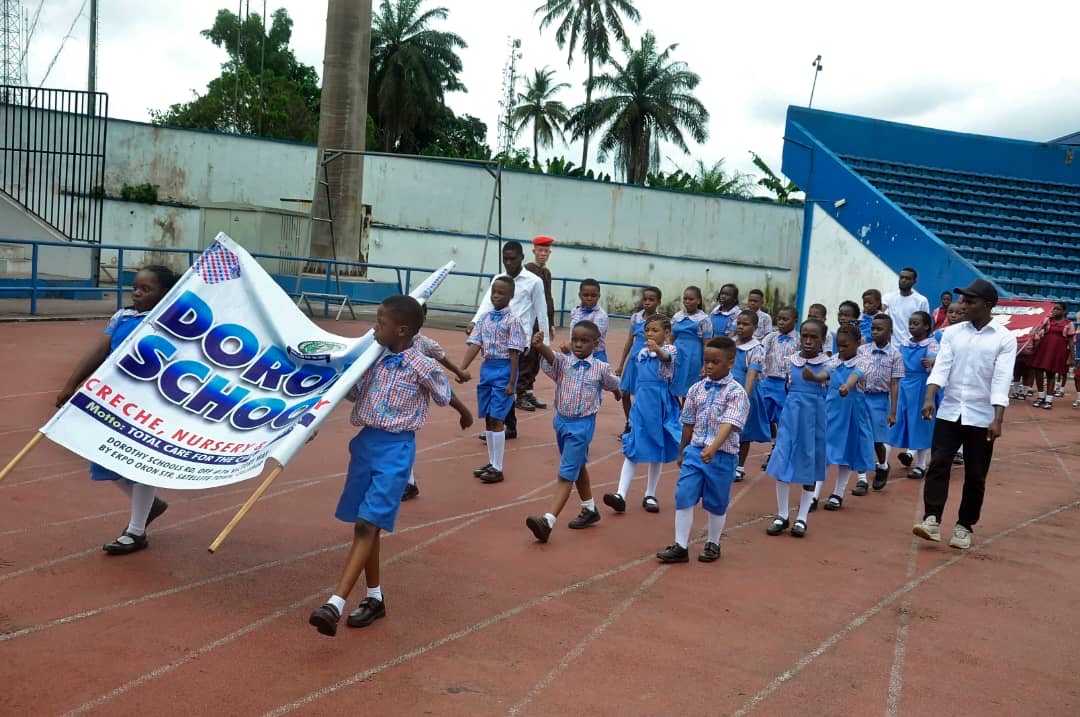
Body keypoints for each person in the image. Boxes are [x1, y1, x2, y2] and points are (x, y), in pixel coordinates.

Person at [309, 296, 474, 636]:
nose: (373, 327)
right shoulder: (374, 359)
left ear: (401, 330)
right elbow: (349, 391)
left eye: (379, 322)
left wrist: (465, 412)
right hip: (365, 445)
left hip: (396, 450)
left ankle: (334, 604)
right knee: (366, 524)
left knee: (367, 526)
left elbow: (444, 392)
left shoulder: (422, 366)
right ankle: (374, 598)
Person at [54, 265, 179, 555]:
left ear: (165, 293)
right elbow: (100, 351)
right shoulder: (122, 317)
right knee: (103, 458)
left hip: (150, 406)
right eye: (135, 286)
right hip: (115, 403)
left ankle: (136, 531)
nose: (136, 293)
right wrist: (71, 384)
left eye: (146, 289)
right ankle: (150, 504)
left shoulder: (170, 324)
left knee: (141, 464)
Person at [913, 279, 1016, 550]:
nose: (963, 305)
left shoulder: (1005, 339)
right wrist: (928, 398)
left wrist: (998, 418)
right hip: (950, 411)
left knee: (975, 474)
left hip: (982, 417)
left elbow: (1002, 379)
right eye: (963, 300)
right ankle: (931, 519)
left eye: (970, 302)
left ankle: (964, 526)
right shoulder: (952, 333)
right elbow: (942, 368)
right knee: (938, 465)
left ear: (988, 305)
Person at [524, 322, 622, 542]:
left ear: (596, 344)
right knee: (577, 465)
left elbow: (612, 383)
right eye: (575, 339)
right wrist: (540, 347)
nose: (578, 344)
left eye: (584, 340)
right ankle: (589, 508)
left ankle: (548, 521)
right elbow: (552, 358)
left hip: (582, 426)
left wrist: (617, 392)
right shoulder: (564, 363)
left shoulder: (600, 368)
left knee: (566, 472)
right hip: (561, 422)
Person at [656, 336, 749, 563]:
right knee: (684, 494)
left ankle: (713, 542)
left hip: (722, 455)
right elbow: (688, 423)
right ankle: (680, 545)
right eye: (706, 361)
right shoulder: (697, 389)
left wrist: (713, 448)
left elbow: (729, 423)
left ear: (730, 362)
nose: (708, 366)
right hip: (695, 452)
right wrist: (682, 451)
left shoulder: (736, 393)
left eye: (715, 362)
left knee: (717, 502)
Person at [469, 241, 550, 442]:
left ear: (522, 258)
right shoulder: (498, 279)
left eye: (512, 258)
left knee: (507, 382)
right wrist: (474, 322)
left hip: (518, 341)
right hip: (496, 339)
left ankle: (502, 424)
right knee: (503, 384)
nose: (508, 262)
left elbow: (542, 311)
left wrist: (544, 342)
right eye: (505, 258)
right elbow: (486, 304)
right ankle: (506, 425)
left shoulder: (534, 281)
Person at [604, 314, 681, 515]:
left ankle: (650, 493)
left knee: (657, 447)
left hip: (659, 405)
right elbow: (639, 381)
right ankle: (620, 494)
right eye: (647, 330)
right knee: (633, 446)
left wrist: (658, 350)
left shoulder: (669, 349)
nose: (649, 333)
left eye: (655, 330)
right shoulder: (640, 354)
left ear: (666, 333)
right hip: (642, 406)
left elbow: (667, 357)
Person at [461, 277, 529, 484]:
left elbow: (515, 354)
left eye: (501, 293)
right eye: (494, 292)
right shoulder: (484, 319)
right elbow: (474, 344)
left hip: (504, 368)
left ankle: (498, 467)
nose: (496, 296)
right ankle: (491, 462)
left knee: (498, 418)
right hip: (487, 368)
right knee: (489, 418)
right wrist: (462, 368)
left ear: (510, 296)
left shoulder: (513, 321)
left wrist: (511, 382)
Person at [765, 319, 828, 538]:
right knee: (783, 460)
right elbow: (787, 386)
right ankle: (782, 515)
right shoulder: (789, 361)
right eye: (805, 336)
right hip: (791, 417)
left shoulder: (827, 363)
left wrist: (813, 377)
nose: (808, 341)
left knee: (809, 464)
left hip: (813, 421)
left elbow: (823, 377)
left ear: (822, 340)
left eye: (814, 337)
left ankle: (802, 517)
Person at [403, 305, 472, 501]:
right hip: (391, 399)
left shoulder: (425, 344)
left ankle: (408, 483)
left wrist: (460, 373)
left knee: (403, 439)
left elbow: (442, 368)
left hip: (412, 401)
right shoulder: (387, 343)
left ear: (423, 318)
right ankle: (406, 481)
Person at [804, 324, 875, 511]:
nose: (841, 349)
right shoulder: (835, 360)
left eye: (845, 346)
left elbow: (856, 375)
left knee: (846, 453)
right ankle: (814, 495)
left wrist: (847, 386)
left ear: (857, 343)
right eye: (839, 345)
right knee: (825, 452)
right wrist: (814, 377)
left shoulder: (864, 361)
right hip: (832, 410)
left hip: (852, 411)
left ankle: (838, 493)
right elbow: (825, 373)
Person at [854, 315, 903, 494]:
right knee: (860, 437)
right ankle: (861, 479)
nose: (875, 331)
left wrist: (893, 411)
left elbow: (895, 384)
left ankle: (882, 465)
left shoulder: (895, 355)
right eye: (873, 328)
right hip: (861, 397)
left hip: (879, 400)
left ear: (890, 332)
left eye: (879, 329)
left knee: (877, 440)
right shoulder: (863, 350)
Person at [890, 311, 939, 479]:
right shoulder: (904, 343)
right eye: (910, 323)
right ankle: (882, 462)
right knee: (897, 420)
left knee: (920, 423)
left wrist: (931, 361)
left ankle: (921, 464)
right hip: (904, 385)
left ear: (926, 326)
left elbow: (935, 358)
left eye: (916, 323)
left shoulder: (931, 344)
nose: (911, 326)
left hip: (921, 386)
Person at [517, 236, 557, 412]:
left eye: (546, 251)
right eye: (540, 250)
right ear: (533, 252)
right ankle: (520, 393)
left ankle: (528, 390)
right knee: (527, 356)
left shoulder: (546, 273)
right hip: (530, 320)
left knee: (537, 357)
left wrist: (551, 323)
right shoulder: (527, 271)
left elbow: (548, 299)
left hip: (542, 321)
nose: (543, 254)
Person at [615, 286, 661, 433]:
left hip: (648, 362)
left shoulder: (660, 320)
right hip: (634, 359)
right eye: (645, 299)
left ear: (658, 302)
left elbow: (663, 343)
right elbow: (629, 341)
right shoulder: (636, 317)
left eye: (651, 300)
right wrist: (622, 364)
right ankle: (629, 423)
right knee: (625, 393)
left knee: (642, 395)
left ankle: (640, 426)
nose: (647, 302)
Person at [732, 309, 770, 482]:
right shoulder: (731, 343)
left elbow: (751, 374)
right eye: (739, 323)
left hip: (745, 392)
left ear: (755, 327)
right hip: (728, 390)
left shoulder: (756, 349)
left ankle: (739, 467)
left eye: (745, 324)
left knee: (743, 431)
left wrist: (744, 396)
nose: (740, 327)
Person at [759, 306, 799, 464]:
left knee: (783, 418)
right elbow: (761, 354)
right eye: (779, 319)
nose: (781, 322)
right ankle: (775, 443)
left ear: (795, 321)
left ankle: (778, 450)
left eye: (785, 319)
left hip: (786, 384)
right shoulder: (771, 337)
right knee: (765, 416)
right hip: (768, 381)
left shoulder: (799, 340)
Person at [1028, 301, 1074, 410]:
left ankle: (1049, 400)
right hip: (1044, 349)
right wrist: (1035, 330)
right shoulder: (1047, 320)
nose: (1054, 311)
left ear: (1064, 311)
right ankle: (1041, 397)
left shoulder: (1068, 323)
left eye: (1057, 309)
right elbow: (1038, 331)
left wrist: (1071, 356)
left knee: (1051, 374)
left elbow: (1071, 342)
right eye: (1053, 309)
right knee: (1038, 372)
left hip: (1057, 351)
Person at [670, 286, 713, 400]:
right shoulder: (677, 316)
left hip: (693, 357)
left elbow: (706, 343)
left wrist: (705, 363)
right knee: (671, 387)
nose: (687, 302)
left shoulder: (704, 319)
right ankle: (676, 414)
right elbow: (670, 338)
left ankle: (685, 415)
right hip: (677, 355)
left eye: (691, 299)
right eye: (685, 299)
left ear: (698, 301)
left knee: (689, 389)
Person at [883, 267, 930, 345]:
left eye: (907, 278)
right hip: (892, 347)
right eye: (901, 277)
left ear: (914, 281)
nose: (903, 280)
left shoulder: (921, 300)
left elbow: (926, 324)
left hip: (912, 346)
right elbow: (879, 310)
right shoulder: (889, 297)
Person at [567, 279, 609, 361]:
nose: (589, 298)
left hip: (595, 356)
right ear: (579, 295)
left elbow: (593, 335)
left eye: (593, 295)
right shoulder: (575, 311)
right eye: (585, 295)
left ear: (599, 296)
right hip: (575, 353)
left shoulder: (602, 315)